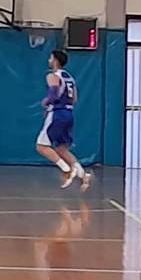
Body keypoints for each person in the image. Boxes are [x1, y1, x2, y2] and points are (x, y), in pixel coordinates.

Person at [35, 49, 92, 190]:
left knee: (41, 146)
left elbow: (54, 94)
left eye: (50, 58)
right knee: (61, 149)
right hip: (69, 113)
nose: (49, 60)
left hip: (57, 114)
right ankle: (83, 175)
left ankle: (66, 170)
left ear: (55, 60)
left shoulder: (52, 76)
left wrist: (46, 102)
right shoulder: (69, 77)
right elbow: (75, 99)